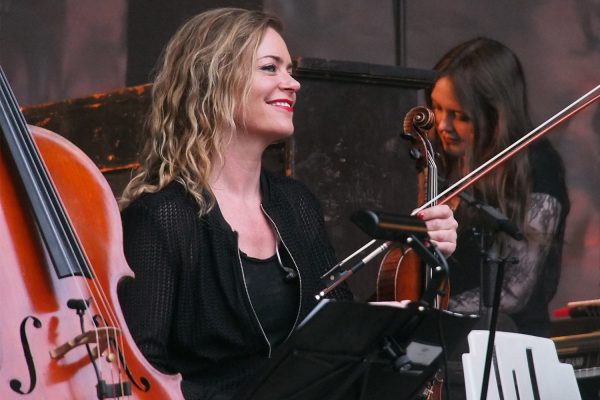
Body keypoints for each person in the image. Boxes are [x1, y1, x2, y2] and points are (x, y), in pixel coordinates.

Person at [117, 7, 458, 400]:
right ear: (212, 81)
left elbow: (339, 342)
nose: (291, 83)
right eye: (270, 68)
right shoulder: (160, 217)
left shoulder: (295, 205)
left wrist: (415, 262)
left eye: (289, 69)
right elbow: (138, 378)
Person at [429, 37, 570, 338]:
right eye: (438, 108)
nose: (443, 125)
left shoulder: (537, 165)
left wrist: (427, 312)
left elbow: (514, 290)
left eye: (461, 116)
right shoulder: (434, 160)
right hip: (444, 340)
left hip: (506, 344)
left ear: (495, 115)